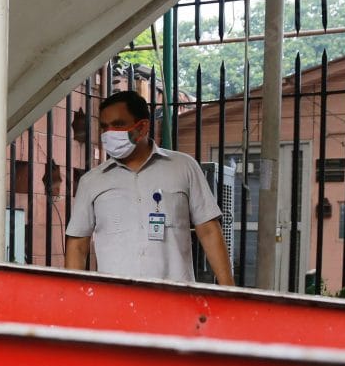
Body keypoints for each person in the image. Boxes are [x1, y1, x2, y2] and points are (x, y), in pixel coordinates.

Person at [64, 91, 234, 285]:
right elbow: (77, 245)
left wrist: (229, 290)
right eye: (104, 127)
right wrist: (73, 297)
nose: (109, 133)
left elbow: (209, 230)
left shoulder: (183, 167)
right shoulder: (91, 181)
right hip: (116, 301)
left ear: (143, 127)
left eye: (118, 125)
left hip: (175, 299)